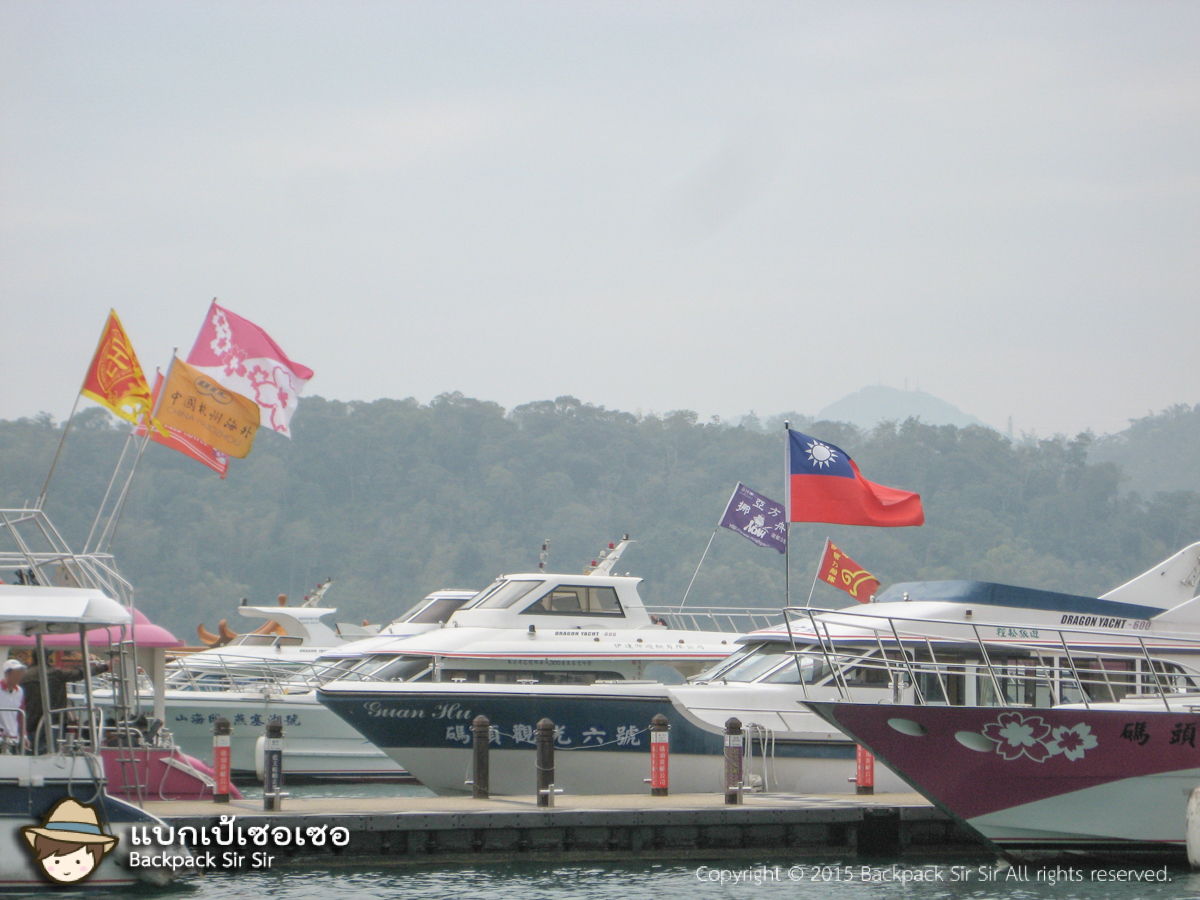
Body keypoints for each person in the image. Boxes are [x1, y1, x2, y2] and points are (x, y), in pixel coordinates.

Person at [24, 658, 110, 753]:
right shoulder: (56, 673)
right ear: (49, 659)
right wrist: (104, 667)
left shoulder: (25, 676)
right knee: (52, 750)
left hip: (29, 721)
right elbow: (80, 673)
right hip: (55, 719)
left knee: (30, 750)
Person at [0, 659, 26, 749]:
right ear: (7, 673)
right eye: (16, 673)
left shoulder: (20, 691)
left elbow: (20, 715)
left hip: (14, 738)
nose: (19, 676)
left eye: (20, 673)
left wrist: (24, 736)